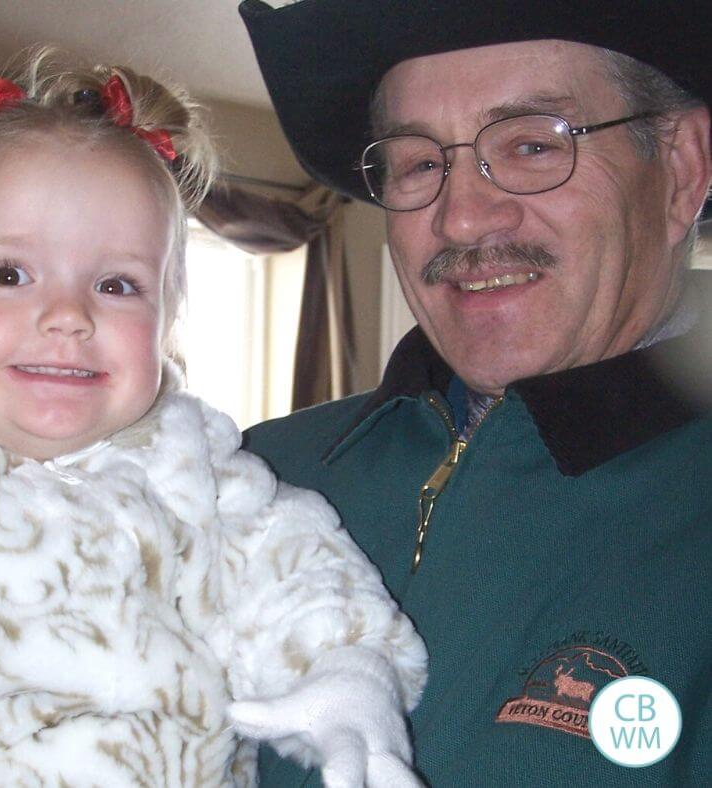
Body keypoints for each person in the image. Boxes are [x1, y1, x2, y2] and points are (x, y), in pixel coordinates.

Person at [0, 47, 428, 787]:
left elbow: (294, 573)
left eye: (117, 284)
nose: (67, 315)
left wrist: (344, 683)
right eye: (9, 274)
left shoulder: (196, 472)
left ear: (166, 320)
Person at [239, 0, 711, 785]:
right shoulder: (255, 478)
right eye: (420, 163)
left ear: (685, 168)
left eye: (531, 145)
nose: (460, 219)